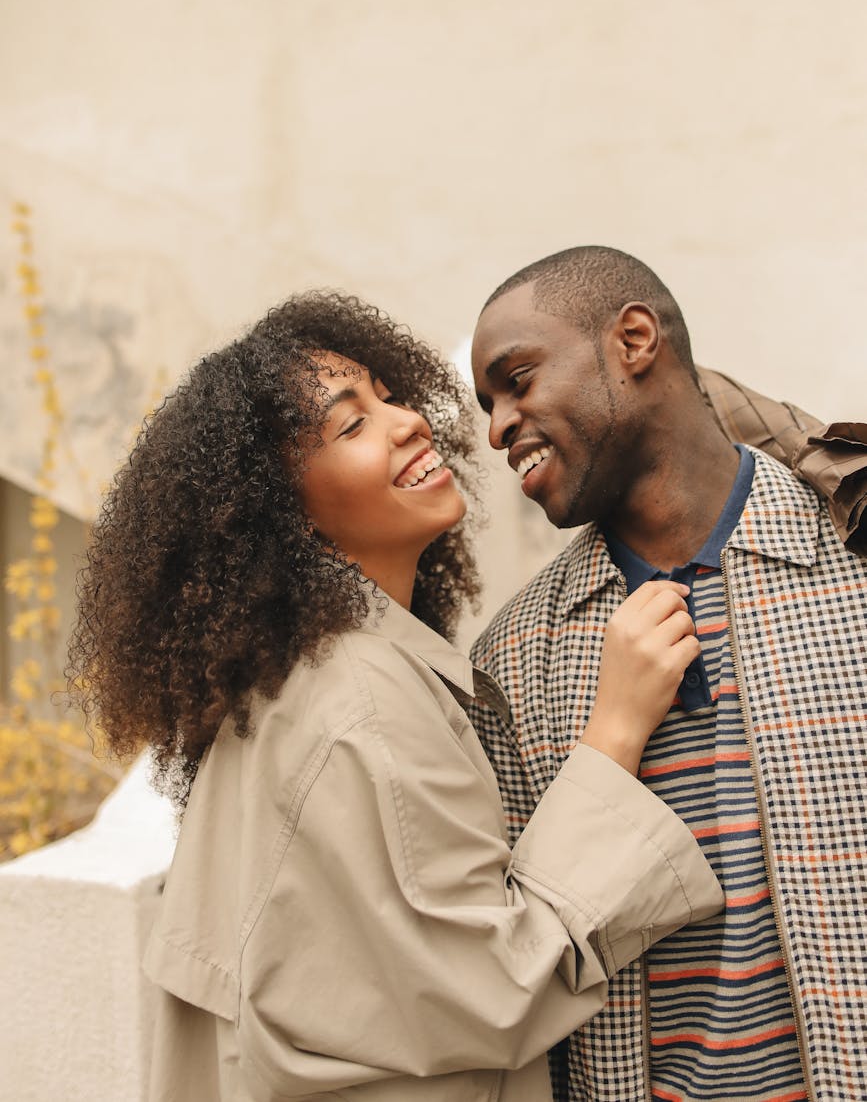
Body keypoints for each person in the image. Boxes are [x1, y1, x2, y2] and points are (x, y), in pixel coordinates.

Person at [67, 290, 722, 1102]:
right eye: (350, 425)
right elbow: (492, 984)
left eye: (387, 395)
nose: (407, 421)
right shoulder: (360, 704)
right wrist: (616, 730)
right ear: (282, 517)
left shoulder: (294, 681)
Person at [468, 245, 867, 1102]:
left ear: (634, 339)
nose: (497, 426)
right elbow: (516, 961)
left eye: (517, 379)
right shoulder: (509, 660)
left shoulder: (852, 559)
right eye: (488, 404)